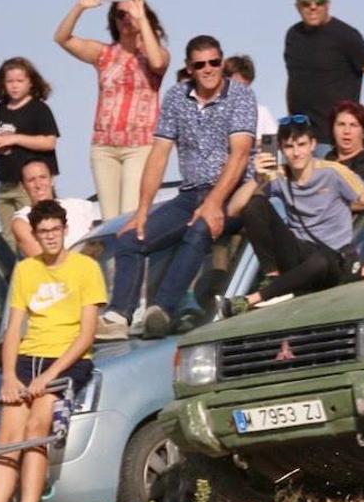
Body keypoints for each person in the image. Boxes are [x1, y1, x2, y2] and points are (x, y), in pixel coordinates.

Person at [95, 35, 256, 341]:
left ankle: (162, 310)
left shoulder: (240, 96)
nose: (208, 69)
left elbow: (241, 154)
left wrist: (214, 203)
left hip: (231, 193)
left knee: (198, 229)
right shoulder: (175, 98)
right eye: (200, 64)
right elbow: (159, 154)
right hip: (190, 192)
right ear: (189, 68)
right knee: (130, 238)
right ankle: (118, 315)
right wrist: (142, 211)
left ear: (222, 62)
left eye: (214, 62)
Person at [0, 200, 107, 502]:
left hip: (66, 360)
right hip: (28, 357)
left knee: (36, 430)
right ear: (34, 234)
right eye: (43, 231)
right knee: (8, 437)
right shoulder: (27, 270)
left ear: (65, 230)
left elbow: (86, 334)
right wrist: (8, 375)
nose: (50, 237)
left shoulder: (86, 269)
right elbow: (14, 330)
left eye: (55, 230)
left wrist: (49, 378)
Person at [224, 117, 364, 316]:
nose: (296, 153)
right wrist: (257, 179)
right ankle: (273, 277)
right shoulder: (279, 175)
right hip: (300, 255)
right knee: (254, 204)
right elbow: (234, 209)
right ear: (282, 150)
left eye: (301, 145)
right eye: (289, 147)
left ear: (313, 145)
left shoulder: (333, 172)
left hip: (335, 259)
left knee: (320, 261)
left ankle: (254, 298)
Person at [53, 0, 171, 220]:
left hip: (139, 146)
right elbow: (62, 38)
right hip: (104, 147)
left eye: (131, 13)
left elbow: (158, 62)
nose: (126, 19)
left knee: (129, 215)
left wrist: (142, 19)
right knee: (109, 220)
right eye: (120, 14)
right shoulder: (103, 53)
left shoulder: (154, 54)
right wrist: (81, 7)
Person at [284, 0, 364, 147]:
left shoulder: (345, 36)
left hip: (334, 142)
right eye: (306, 3)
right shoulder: (293, 36)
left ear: (328, 4)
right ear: (298, 7)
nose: (313, 7)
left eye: (318, 2)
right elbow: (294, 82)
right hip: (300, 141)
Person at [0, 57, 60, 251]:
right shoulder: (0, 109)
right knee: (9, 239)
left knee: (35, 232)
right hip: (6, 182)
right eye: (10, 81)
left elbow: (49, 142)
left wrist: (15, 138)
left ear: (30, 82)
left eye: (19, 81)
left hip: (30, 184)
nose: (14, 86)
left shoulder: (38, 108)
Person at [11, 159, 98, 256]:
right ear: (23, 186)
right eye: (31, 180)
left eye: (43, 177)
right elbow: (47, 261)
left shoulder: (79, 206)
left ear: (52, 180)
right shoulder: (23, 221)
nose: (38, 185)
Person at [224, 54, 279, 137]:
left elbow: (273, 143)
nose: (238, 91)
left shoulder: (262, 113)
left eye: (244, 87)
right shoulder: (212, 111)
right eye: (234, 84)